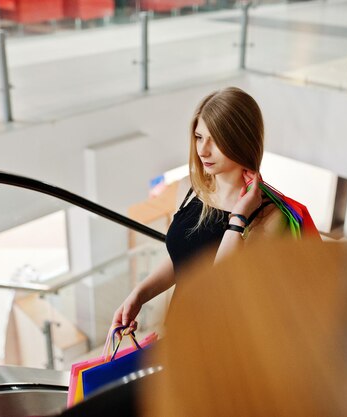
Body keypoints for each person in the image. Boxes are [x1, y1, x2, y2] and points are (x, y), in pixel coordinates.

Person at [113, 86, 288, 333]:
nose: (203, 150)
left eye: (215, 140)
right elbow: (183, 260)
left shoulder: (268, 218)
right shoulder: (190, 188)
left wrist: (238, 218)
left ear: (243, 141)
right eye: (199, 137)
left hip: (225, 344)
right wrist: (139, 294)